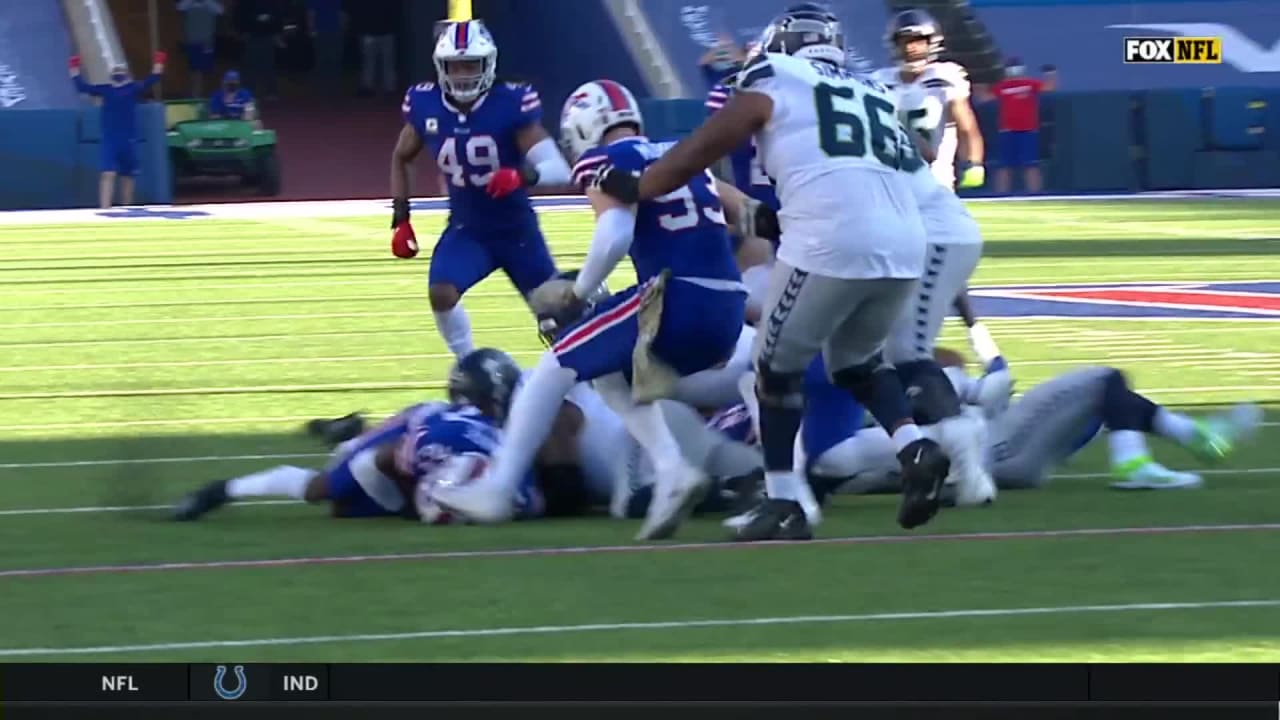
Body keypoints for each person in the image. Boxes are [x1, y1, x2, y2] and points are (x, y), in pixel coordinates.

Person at [592, 3, 953, 537]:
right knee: (856, 362)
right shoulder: (873, 89)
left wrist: (645, 184)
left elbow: (710, 142)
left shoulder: (776, 73)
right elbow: (920, 153)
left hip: (832, 239)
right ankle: (914, 445)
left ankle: (784, 501)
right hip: (904, 242)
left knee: (771, 367)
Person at [475, 78, 749, 541]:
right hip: (729, 303)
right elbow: (744, 210)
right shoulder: (682, 155)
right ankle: (672, 468)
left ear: (584, 126)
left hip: (678, 298)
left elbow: (615, 234)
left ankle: (499, 488)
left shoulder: (607, 159)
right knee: (606, 367)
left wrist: (579, 293)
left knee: (558, 359)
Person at [791, 349, 1263, 496]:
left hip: (983, 455)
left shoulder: (826, 434)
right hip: (994, 449)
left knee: (1104, 396)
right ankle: (1137, 462)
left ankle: (1195, 436)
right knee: (1104, 380)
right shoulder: (858, 383)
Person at [173, 349, 538, 523]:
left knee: (397, 504)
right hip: (400, 446)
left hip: (421, 445)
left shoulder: (488, 429)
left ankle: (352, 432)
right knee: (328, 492)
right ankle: (221, 490)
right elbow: (387, 455)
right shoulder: (440, 423)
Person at [390, 20, 572, 358]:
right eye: (454, 65)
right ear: (440, 67)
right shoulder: (425, 104)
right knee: (441, 292)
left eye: (470, 64)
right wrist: (401, 217)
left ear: (487, 64)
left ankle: (584, 384)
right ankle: (468, 365)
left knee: (557, 319)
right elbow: (401, 157)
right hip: (468, 229)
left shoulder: (509, 103)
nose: (461, 74)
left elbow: (558, 168)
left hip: (517, 231)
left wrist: (521, 176)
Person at [872, 9, 985, 191]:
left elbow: (967, 127)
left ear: (931, 43)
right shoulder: (880, 81)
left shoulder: (944, 78)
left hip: (935, 182)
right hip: (892, 181)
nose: (911, 48)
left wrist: (973, 162)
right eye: (905, 42)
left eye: (918, 41)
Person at [69, 52, 167, 209]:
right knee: (107, 173)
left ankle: (127, 209)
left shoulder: (133, 88)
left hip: (128, 139)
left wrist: (159, 62)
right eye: (116, 71)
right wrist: (73, 68)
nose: (118, 73)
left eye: (121, 71)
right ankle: (105, 207)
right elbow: (82, 87)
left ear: (127, 75)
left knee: (128, 176)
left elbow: (153, 78)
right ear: (110, 75)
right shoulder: (105, 89)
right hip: (110, 138)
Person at [990, 57, 1054, 195]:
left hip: (1028, 131)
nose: (1014, 70)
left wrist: (1051, 74)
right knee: (1004, 166)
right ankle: (1000, 197)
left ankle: (1035, 196)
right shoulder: (1002, 86)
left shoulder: (1030, 83)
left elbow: (1049, 87)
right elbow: (986, 96)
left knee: (1031, 165)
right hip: (1007, 131)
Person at [235, 0, 283, 100]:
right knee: (250, 65)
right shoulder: (246, 3)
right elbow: (240, 14)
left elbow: (277, 15)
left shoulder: (271, 3)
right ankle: (247, 92)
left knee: (268, 64)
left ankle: (271, 92)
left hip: (267, 36)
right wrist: (242, 32)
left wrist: (276, 33)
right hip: (251, 35)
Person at [350, 1, 397, 97]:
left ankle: (368, 87)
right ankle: (388, 87)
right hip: (385, 30)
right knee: (386, 61)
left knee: (369, 61)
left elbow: (359, 10)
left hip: (371, 30)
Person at [178, 0, 223, 97]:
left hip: (207, 43)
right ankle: (195, 96)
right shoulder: (188, 4)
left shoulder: (211, 4)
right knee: (193, 72)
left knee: (207, 72)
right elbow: (180, 7)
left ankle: (206, 96)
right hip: (192, 43)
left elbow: (220, 10)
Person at [306, 0, 344, 94]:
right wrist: (311, 29)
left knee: (328, 59)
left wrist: (311, 29)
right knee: (327, 59)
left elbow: (311, 14)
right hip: (325, 31)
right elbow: (311, 14)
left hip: (330, 31)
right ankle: (328, 86)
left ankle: (329, 86)